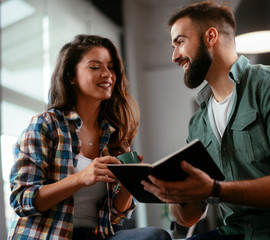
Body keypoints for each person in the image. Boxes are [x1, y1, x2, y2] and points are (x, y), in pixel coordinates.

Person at [141, 1, 270, 239]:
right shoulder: (198, 124)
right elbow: (191, 216)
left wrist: (215, 189)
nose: (174, 56)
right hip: (241, 232)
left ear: (210, 36)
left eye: (180, 42)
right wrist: (175, 194)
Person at [9, 34, 171, 240]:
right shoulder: (45, 125)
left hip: (95, 235)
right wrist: (81, 178)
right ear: (71, 76)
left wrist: (131, 183)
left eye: (111, 67)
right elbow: (21, 200)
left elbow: (114, 217)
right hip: (48, 236)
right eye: (95, 67)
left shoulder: (113, 136)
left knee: (155, 236)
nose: (107, 74)